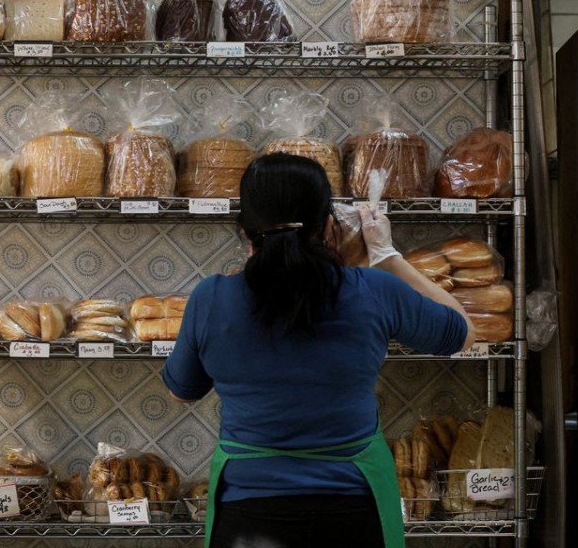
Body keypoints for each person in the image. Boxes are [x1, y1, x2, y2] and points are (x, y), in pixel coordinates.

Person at [162, 153, 475, 548]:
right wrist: (387, 256)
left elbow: (181, 391)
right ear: (329, 224)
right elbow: (463, 332)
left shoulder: (212, 297)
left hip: (248, 509)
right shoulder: (372, 290)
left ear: (244, 230)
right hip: (353, 506)